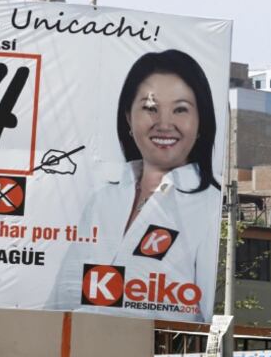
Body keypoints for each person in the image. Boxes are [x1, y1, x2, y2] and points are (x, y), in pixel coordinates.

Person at [48, 49, 222, 321]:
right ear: (128, 117)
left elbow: (212, 320)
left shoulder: (212, 207)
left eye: (180, 109)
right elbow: (59, 301)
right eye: (150, 108)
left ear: (201, 122)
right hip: (77, 345)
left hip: (161, 349)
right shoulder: (102, 201)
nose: (164, 124)